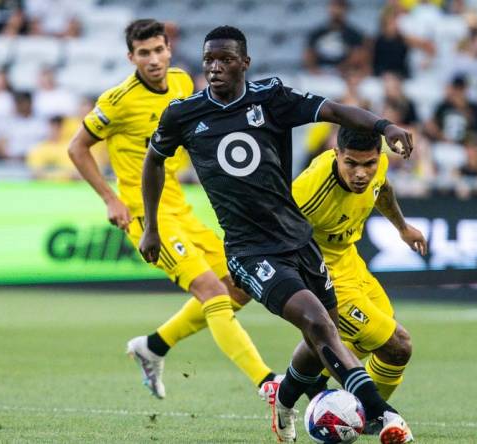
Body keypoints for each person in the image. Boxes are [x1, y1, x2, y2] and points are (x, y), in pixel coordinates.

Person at [141, 25, 414, 444]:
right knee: (318, 322)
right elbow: (154, 162)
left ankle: (284, 401)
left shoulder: (271, 98)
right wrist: (152, 227)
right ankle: (381, 414)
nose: (215, 67)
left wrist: (385, 126)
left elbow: (337, 112)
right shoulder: (183, 114)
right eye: (209, 59)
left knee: (320, 332)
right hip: (250, 251)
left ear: (244, 63)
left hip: (299, 241)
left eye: (226, 60)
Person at [67, 19, 275, 400]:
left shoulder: (182, 82)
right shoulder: (118, 101)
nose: (153, 59)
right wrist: (110, 199)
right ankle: (267, 382)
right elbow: (77, 147)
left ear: (169, 50)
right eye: (143, 53)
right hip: (146, 215)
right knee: (212, 293)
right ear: (131, 57)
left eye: (158, 50)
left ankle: (154, 346)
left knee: (243, 285)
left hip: (181, 206)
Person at [292, 127, 426, 403]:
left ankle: (303, 384)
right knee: (398, 346)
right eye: (351, 163)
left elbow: (382, 189)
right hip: (323, 277)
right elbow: (276, 235)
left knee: (370, 338)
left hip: (351, 262)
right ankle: (371, 414)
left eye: (369, 164)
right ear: (336, 154)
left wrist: (402, 228)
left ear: (379, 156)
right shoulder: (308, 192)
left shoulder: (379, 165)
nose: (361, 173)